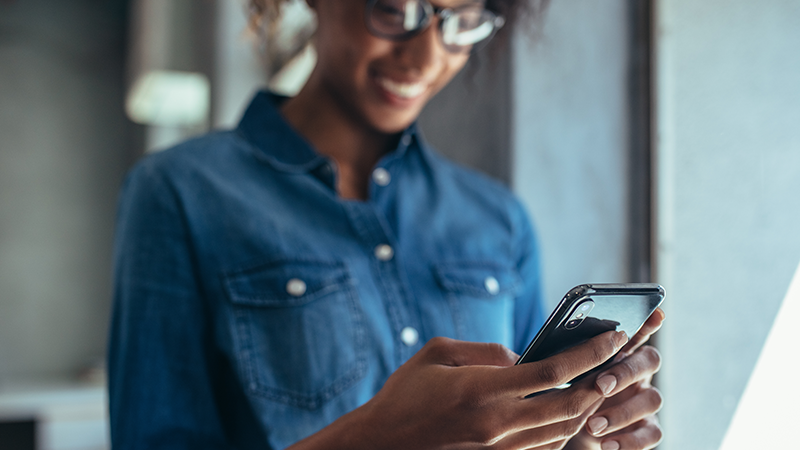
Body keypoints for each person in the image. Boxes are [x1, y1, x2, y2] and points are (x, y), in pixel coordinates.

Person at [108, 0, 665, 449]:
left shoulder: (498, 219)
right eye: (395, 12)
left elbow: (521, 427)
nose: (425, 58)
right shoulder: (179, 192)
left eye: (460, 22)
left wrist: (573, 431)